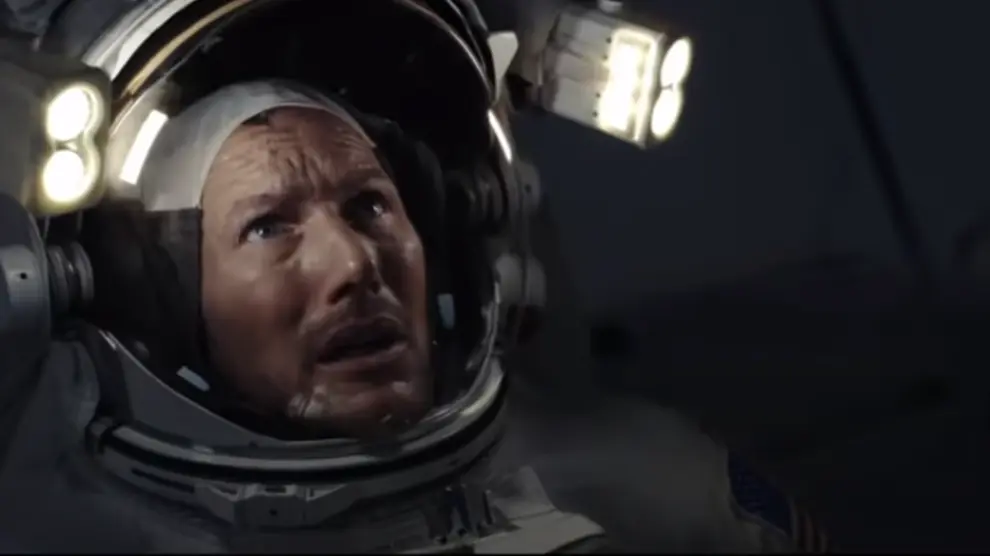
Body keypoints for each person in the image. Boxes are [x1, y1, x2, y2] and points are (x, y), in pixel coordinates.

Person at [0, 0, 829, 552]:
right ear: (162, 301)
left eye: (369, 205)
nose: (354, 264)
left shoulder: (659, 488)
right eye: (269, 226)